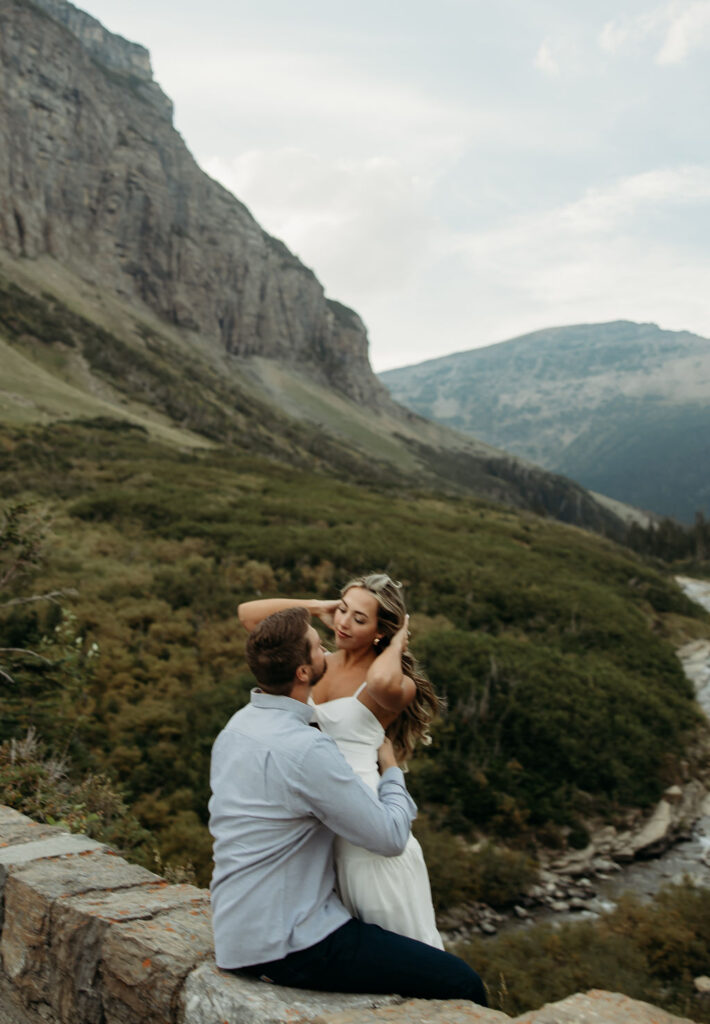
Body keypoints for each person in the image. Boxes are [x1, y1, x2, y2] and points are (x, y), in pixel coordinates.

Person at [209, 606, 486, 1002]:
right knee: (462, 982)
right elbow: (389, 837)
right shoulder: (305, 748)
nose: (326, 650)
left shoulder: (234, 729)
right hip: (292, 942)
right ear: (303, 672)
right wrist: (391, 770)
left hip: (235, 932)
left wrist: (318, 609)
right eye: (317, 647)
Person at [238, 573, 443, 949]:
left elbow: (380, 680)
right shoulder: (317, 663)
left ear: (381, 631)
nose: (344, 623)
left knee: (400, 950)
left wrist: (397, 642)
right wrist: (317, 608)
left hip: (368, 830)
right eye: (343, 610)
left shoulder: (393, 683)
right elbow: (249, 617)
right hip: (317, 827)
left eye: (359, 619)